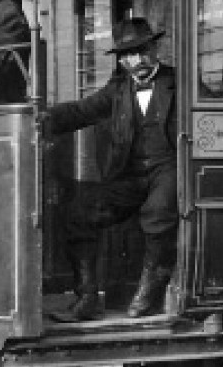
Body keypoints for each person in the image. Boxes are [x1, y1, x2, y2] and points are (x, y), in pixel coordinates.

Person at [41, 18, 178, 322]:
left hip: (169, 168)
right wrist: (43, 118)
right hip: (131, 176)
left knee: (158, 212)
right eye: (127, 55)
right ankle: (87, 297)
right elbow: (83, 110)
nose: (136, 60)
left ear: (154, 49)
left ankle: (150, 293)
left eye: (141, 51)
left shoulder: (179, 83)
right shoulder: (118, 89)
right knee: (79, 213)